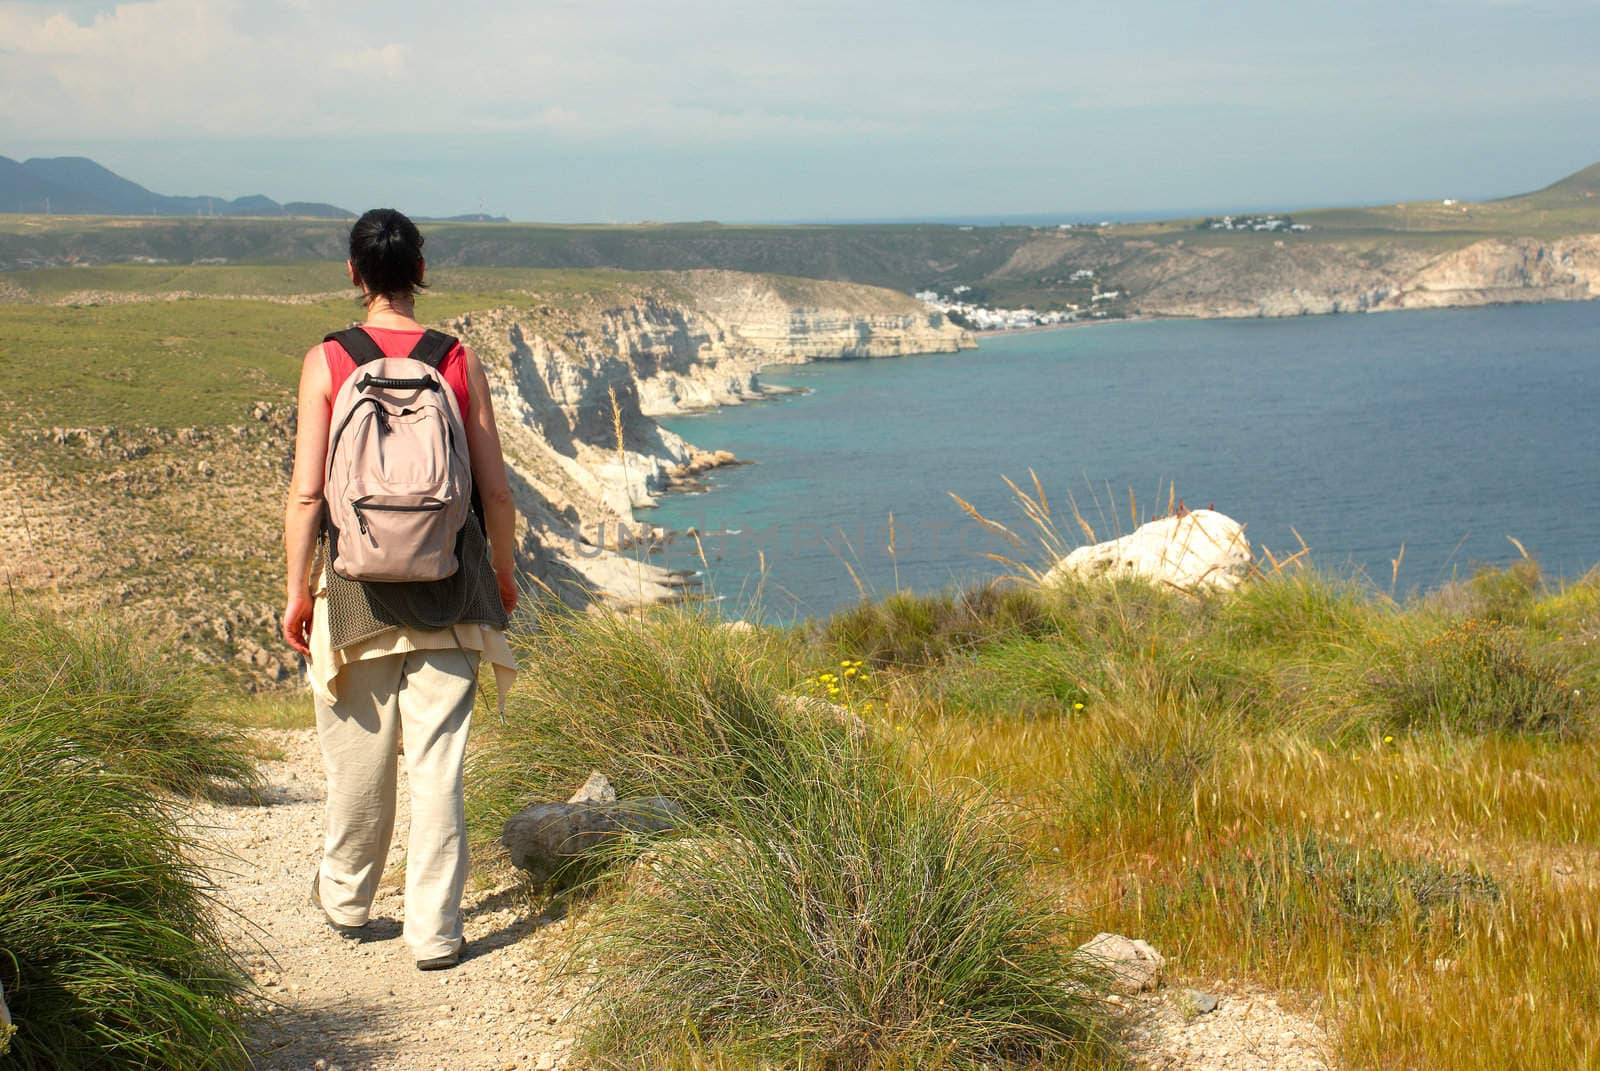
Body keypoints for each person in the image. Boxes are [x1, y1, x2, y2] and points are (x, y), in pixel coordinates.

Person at [282, 208, 519, 971]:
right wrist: (505, 577)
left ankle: (349, 901)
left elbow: (308, 496)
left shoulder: (327, 361)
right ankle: (436, 933)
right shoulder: (456, 359)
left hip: (353, 592)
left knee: (356, 759)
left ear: (355, 273)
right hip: (449, 588)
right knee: (438, 765)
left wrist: (298, 590)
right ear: (420, 270)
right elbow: (496, 491)